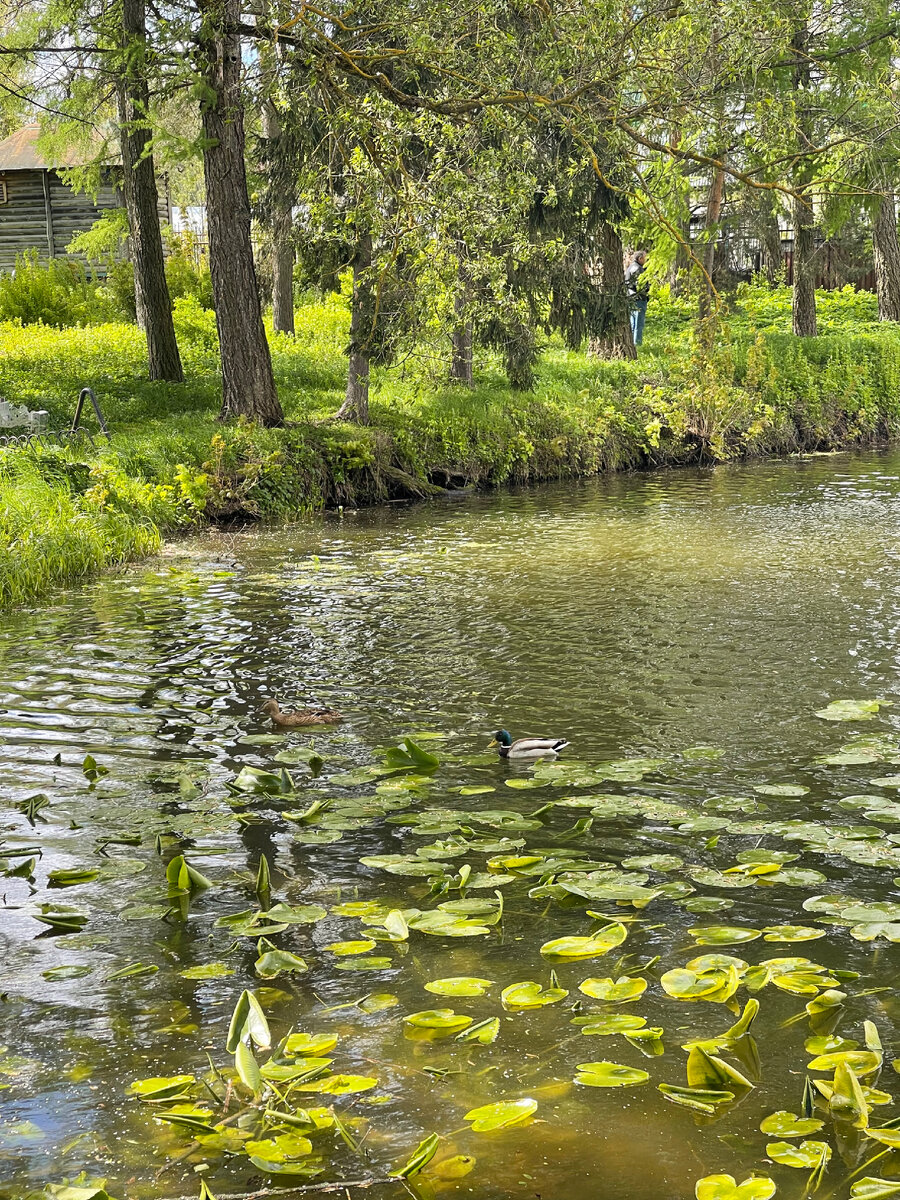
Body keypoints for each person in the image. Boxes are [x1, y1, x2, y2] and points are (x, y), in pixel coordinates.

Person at [624, 250, 650, 346]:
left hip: (630, 297)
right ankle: (637, 343)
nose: (645, 260)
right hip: (639, 298)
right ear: (640, 258)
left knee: (632, 322)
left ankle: (630, 343)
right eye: (645, 258)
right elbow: (641, 285)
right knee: (639, 324)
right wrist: (646, 293)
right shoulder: (638, 269)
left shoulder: (629, 268)